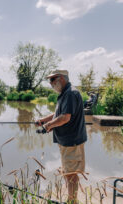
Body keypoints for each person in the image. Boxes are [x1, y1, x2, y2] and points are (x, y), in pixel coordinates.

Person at [35, 70, 87, 204]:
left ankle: (71, 201)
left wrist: (47, 126)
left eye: (53, 80)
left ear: (62, 78)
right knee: (69, 173)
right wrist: (43, 120)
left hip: (71, 142)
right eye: (50, 80)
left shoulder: (70, 93)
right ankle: (71, 199)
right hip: (67, 142)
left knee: (71, 175)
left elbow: (65, 118)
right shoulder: (65, 93)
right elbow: (58, 114)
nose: (50, 83)